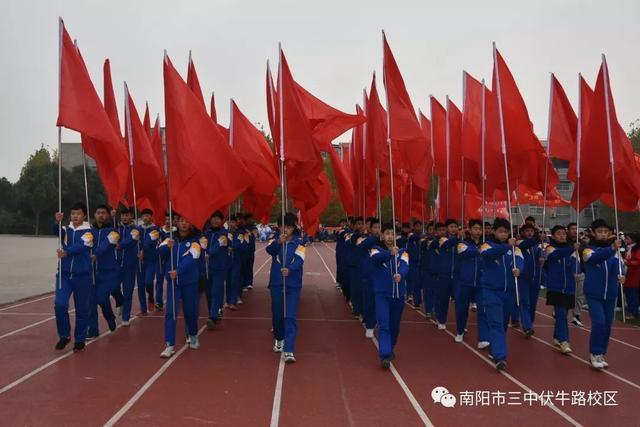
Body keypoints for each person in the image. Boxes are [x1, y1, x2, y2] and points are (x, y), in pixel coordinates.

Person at [479, 218, 524, 371]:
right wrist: (506, 247)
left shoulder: (515, 249)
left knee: (503, 323)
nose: (504, 234)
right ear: (494, 231)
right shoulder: (486, 245)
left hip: (509, 293)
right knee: (496, 323)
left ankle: (495, 348)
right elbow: (488, 255)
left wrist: (519, 270)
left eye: (506, 232)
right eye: (500, 232)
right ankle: (500, 357)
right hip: (491, 291)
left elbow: (520, 261)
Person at [582, 219, 625, 369]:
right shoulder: (588, 250)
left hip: (611, 293)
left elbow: (619, 266)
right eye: (600, 231)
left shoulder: (615, 252)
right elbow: (595, 259)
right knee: (599, 323)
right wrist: (612, 248)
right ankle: (594, 353)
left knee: (607, 325)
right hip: (594, 293)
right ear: (593, 233)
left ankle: (600, 353)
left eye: (606, 232)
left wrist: (621, 274)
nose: (603, 234)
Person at [158, 215, 202, 358]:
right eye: (182, 221)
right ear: (177, 222)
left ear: (191, 224)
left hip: (189, 283)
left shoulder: (196, 242)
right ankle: (169, 344)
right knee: (170, 313)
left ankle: (193, 334)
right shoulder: (170, 238)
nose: (184, 224)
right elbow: (160, 252)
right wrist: (167, 247)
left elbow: (191, 259)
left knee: (190, 312)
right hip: (173, 284)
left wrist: (178, 271)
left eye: (187, 221)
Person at [52, 203, 93, 352]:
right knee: (60, 304)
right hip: (64, 274)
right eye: (73, 213)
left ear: (85, 216)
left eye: (78, 214)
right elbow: (56, 231)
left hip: (82, 276)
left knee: (82, 309)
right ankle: (64, 335)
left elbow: (82, 246)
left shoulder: (89, 232)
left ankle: (80, 339)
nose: (75, 216)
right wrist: (57, 221)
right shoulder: (65, 228)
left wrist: (67, 252)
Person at [266, 212, 306, 363]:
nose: (286, 230)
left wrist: (290, 269)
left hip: (293, 284)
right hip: (276, 283)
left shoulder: (299, 242)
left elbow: (300, 259)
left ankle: (289, 349)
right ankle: (279, 338)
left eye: (289, 227)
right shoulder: (274, 240)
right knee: (277, 314)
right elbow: (269, 251)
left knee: (290, 316)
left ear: (293, 228)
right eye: (283, 226)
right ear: (279, 227)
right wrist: (279, 242)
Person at [370, 223, 410, 369]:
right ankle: (385, 355)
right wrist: (389, 253)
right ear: (382, 235)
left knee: (395, 326)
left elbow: (405, 265)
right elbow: (376, 259)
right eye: (387, 233)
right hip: (382, 294)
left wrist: (401, 274)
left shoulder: (403, 252)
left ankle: (390, 346)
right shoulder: (376, 250)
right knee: (384, 324)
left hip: (398, 295)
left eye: (392, 233)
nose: (390, 236)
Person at [544, 225, 580, 354]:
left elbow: (577, 263)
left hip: (569, 287)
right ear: (553, 236)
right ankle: (564, 341)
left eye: (563, 234)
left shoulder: (573, 249)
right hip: (556, 287)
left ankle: (557, 336)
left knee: (563, 313)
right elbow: (555, 256)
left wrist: (576, 272)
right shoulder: (549, 248)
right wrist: (571, 248)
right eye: (558, 234)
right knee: (561, 314)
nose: (562, 236)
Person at [454, 219, 488, 347]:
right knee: (462, 309)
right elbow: (463, 253)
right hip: (465, 282)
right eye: (475, 228)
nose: (478, 231)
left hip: (481, 283)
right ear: (470, 229)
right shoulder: (463, 243)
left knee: (483, 311)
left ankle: (483, 338)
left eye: (480, 229)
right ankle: (460, 331)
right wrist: (478, 250)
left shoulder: (486, 244)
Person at [87, 205, 118, 339]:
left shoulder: (114, 231)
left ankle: (110, 317)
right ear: (94, 215)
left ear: (108, 215)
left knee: (102, 299)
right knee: (91, 302)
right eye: (98, 213)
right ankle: (93, 329)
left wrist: (96, 254)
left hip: (107, 272)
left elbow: (107, 245)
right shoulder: (89, 231)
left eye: (103, 213)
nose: (101, 215)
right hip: (91, 271)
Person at [515, 223, 545, 337]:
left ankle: (529, 323)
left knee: (533, 303)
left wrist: (543, 256)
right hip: (523, 278)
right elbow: (525, 245)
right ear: (522, 232)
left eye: (531, 231)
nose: (529, 233)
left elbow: (543, 253)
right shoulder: (519, 242)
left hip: (536, 278)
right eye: (527, 231)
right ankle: (527, 326)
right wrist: (537, 238)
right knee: (525, 303)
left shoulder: (538, 245)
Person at [205, 211, 230, 329]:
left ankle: (213, 316)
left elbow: (216, 248)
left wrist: (208, 254)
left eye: (218, 218)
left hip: (219, 268)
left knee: (216, 291)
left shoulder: (223, 235)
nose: (215, 220)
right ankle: (215, 310)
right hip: (207, 268)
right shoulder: (207, 233)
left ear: (222, 221)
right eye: (213, 218)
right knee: (209, 293)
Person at [116, 207, 141, 325]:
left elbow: (131, 240)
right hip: (116, 265)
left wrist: (120, 245)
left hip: (130, 266)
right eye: (123, 215)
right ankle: (120, 301)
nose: (124, 217)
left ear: (131, 216)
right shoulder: (116, 229)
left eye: (127, 215)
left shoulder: (136, 230)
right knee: (112, 287)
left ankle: (125, 317)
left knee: (128, 291)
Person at [357, 217, 381, 338]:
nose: (378, 229)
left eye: (379, 227)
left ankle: (375, 321)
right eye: (375, 227)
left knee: (380, 301)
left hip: (380, 276)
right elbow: (360, 247)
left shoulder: (383, 241)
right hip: (367, 276)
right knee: (369, 301)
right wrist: (374, 237)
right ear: (370, 229)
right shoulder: (364, 239)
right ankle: (369, 325)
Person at [435, 219, 460, 330]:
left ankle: (461, 325)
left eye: (455, 226)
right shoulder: (442, 240)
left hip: (458, 276)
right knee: (443, 299)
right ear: (447, 229)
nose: (453, 229)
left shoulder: (462, 241)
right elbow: (447, 244)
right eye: (451, 226)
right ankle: (441, 320)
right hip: (444, 275)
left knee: (460, 301)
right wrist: (458, 239)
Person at [139, 208, 162, 313]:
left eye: (148, 216)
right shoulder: (138, 228)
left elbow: (148, 242)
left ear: (151, 217)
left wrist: (142, 249)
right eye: (144, 216)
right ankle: (143, 308)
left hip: (152, 260)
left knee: (148, 282)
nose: (145, 218)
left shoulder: (155, 229)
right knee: (141, 284)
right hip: (140, 260)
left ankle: (151, 296)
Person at [567, 222, 586, 327]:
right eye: (572, 229)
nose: (575, 231)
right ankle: (558, 310)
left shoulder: (582, 242)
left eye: (576, 229)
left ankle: (576, 315)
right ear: (568, 230)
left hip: (580, 271)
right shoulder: (565, 241)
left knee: (579, 295)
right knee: (567, 294)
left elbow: (586, 253)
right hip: (568, 273)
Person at [406, 220, 423, 308]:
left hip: (422, 262)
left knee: (419, 282)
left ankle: (417, 299)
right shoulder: (411, 235)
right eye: (417, 226)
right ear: (414, 227)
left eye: (420, 226)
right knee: (414, 280)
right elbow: (414, 238)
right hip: (413, 262)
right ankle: (414, 298)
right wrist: (423, 236)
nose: (418, 228)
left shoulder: (423, 238)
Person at [623, 232, 640, 319]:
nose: (625, 240)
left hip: (635, 274)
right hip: (629, 273)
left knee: (633, 293)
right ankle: (631, 310)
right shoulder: (629, 248)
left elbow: (638, 261)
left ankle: (634, 312)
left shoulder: (637, 249)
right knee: (629, 292)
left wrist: (628, 262)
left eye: (627, 238)